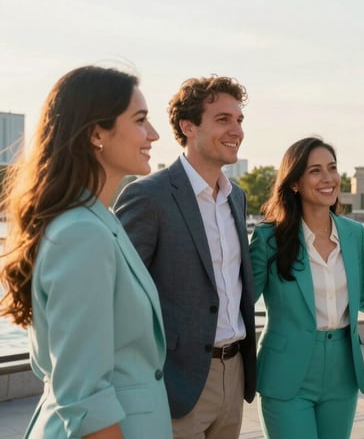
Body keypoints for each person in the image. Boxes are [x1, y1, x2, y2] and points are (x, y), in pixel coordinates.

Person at [0, 66, 171, 438]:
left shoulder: (101, 222)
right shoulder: (82, 232)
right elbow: (83, 393)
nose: (154, 134)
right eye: (140, 120)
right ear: (97, 133)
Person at [114, 76, 256, 438]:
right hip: (176, 379)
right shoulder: (149, 196)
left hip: (234, 371)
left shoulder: (236, 198)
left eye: (239, 120)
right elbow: (118, 293)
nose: (236, 130)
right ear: (188, 126)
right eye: (223, 119)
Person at [249, 137, 364, 439]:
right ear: (294, 183)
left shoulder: (355, 233)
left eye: (332, 168)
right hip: (285, 372)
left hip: (342, 371)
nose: (328, 178)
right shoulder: (270, 238)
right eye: (315, 170)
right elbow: (242, 302)